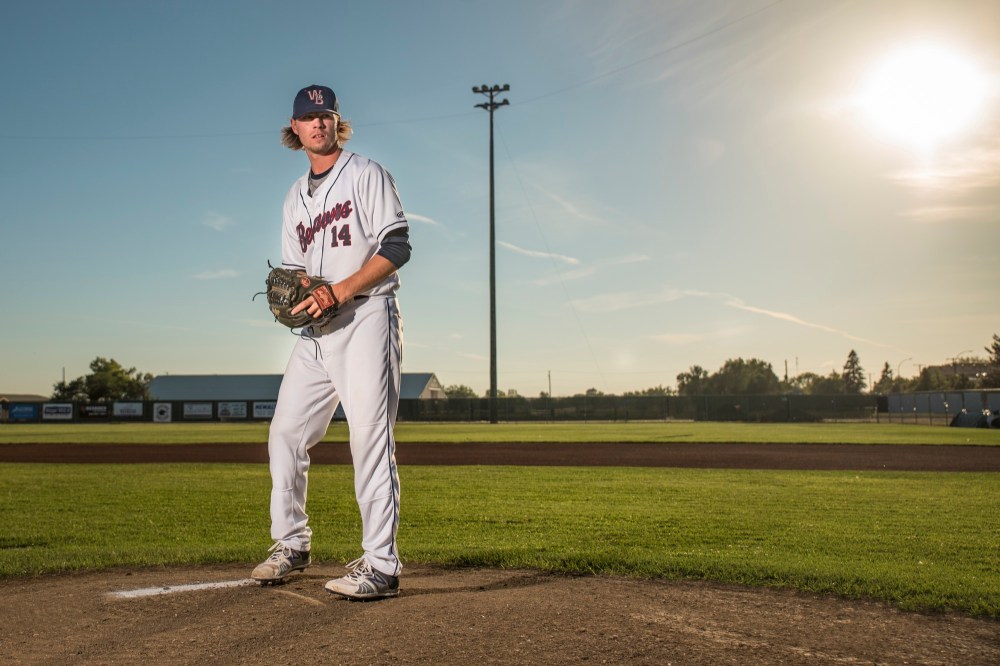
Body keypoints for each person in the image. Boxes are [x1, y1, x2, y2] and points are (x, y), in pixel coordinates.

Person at [251, 84, 411, 600]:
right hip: (316, 333)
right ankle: (292, 544)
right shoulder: (295, 196)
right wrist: (296, 296)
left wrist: (339, 290)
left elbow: (398, 245)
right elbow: (295, 272)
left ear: (336, 123)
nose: (318, 124)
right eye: (308, 117)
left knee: (369, 437)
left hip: (366, 317)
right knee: (286, 434)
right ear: (293, 129)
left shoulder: (366, 174)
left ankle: (382, 566)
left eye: (326, 115)